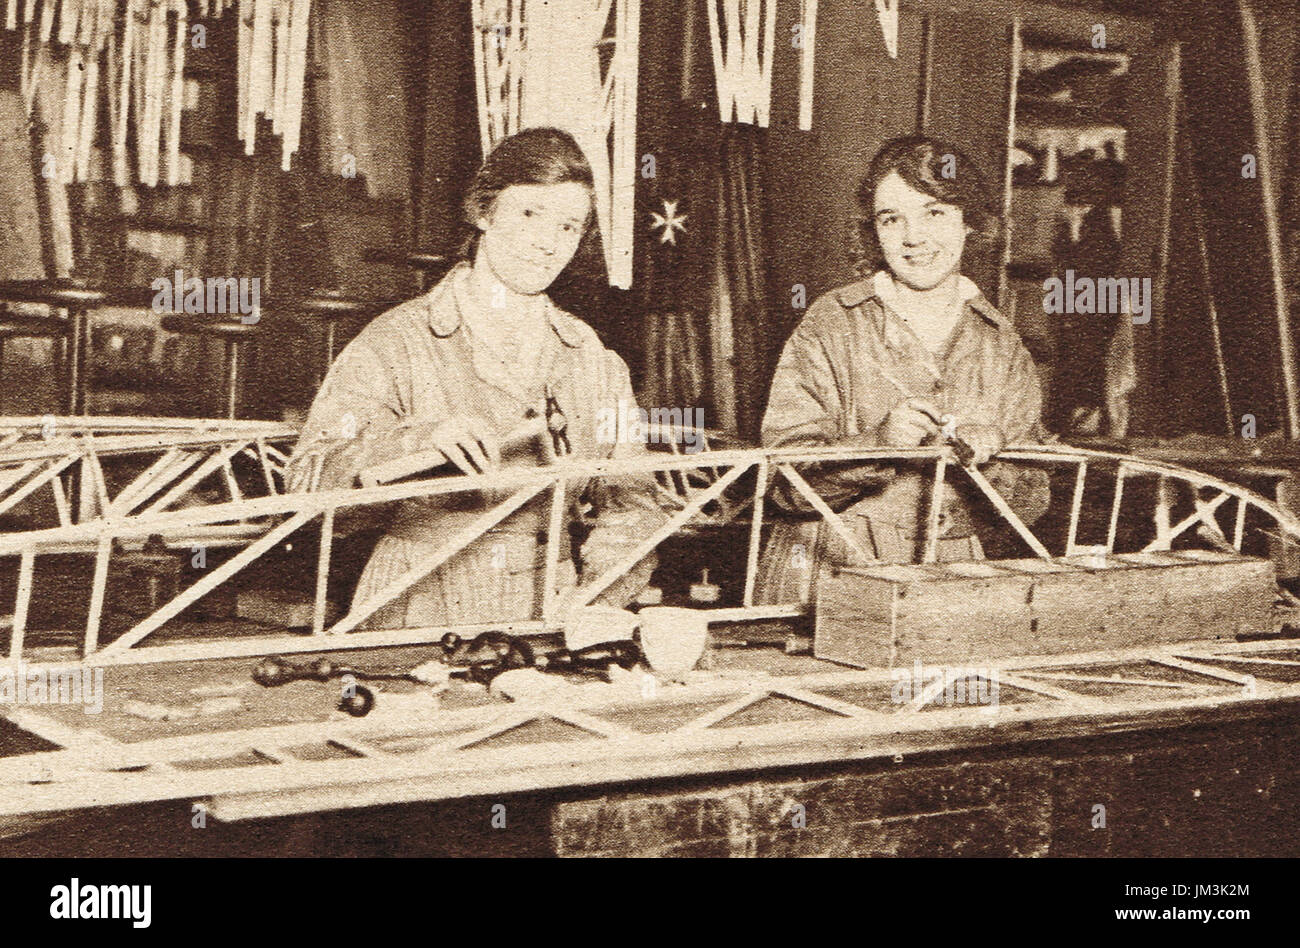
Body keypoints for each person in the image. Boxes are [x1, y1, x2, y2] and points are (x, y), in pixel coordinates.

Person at [289, 127, 662, 628]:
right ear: (483, 213)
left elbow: (633, 503)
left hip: (551, 605)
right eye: (530, 214)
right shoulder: (398, 339)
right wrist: (414, 443)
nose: (548, 244)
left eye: (569, 226)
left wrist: (594, 599)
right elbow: (306, 486)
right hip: (418, 597)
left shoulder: (591, 357)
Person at [756, 135, 1050, 605]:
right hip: (827, 568)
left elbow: (1036, 497)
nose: (913, 236)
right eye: (892, 218)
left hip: (954, 573)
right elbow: (780, 487)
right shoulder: (834, 322)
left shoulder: (999, 340)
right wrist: (877, 444)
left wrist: (991, 461)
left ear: (969, 223)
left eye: (934, 212)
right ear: (873, 232)